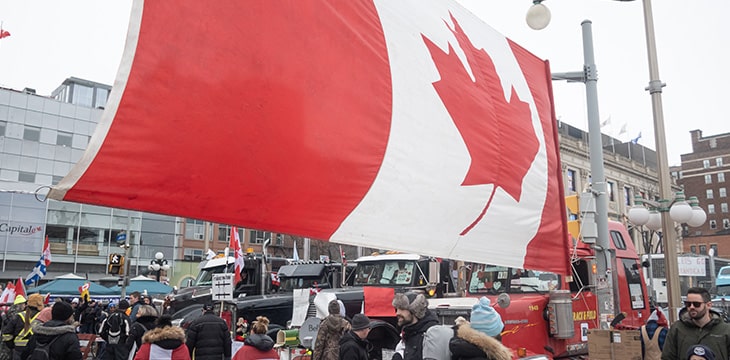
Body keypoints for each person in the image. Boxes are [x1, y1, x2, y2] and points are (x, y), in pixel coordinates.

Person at [662, 287, 730, 360]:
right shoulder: (677, 328)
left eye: (696, 304)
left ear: (708, 305)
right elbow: (667, 357)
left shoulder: (725, 330)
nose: (691, 307)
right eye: (688, 304)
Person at [390, 292, 439, 360]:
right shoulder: (408, 331)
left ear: (414, 311)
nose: (397, 313)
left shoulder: (430, 335)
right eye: (397, 309)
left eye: (402, 309)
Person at [4, 293, 43, 359]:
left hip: (18, 351)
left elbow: (6, 334)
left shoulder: (18, 316)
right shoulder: (42, 316)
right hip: (35, 350)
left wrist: (12, 346)